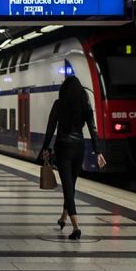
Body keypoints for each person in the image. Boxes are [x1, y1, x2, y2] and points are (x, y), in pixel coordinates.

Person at [39, 76, 106, 240]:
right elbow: (93, 129)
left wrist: (45, 148)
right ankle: (63, 217)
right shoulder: (85, 105)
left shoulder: (59, 104)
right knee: (71, 185)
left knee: (68, 187)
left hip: (63, 149)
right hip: (79, 149)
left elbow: (50, 127)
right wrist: (98, 152)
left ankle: (76, 226)